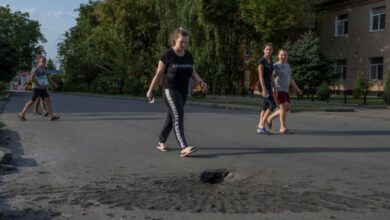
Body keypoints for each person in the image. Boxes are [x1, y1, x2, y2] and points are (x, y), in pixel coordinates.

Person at [146, 28, 207, 157]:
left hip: (183, 91)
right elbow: (158, 74)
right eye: (181, 42)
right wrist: (150, 90)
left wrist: (200, 82)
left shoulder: (188, 55)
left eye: (186, 42)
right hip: (170, 89)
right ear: (174, 40)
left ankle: (161, 141)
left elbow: (192, 72)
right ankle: (184, 146)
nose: (184, 45)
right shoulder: (168, 55)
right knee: (178, 114)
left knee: (171, 117)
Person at [267, 49, 302, 133]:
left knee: (288, 108)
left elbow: (290, 79)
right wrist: (272, 88)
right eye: (282, 55)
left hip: (285, 90)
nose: (283, 56)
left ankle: (269, 118)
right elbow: (271, 77)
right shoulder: (276, 66)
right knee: (283, 107)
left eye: (285, 55)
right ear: (278, 56)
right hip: (278, 89)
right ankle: (282, 128)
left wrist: (297, 89)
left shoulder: (288, 66)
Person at [18, 56, 60, 121]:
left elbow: (48, 77)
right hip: (36, 88)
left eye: (45, 61)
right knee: (32, 101)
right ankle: (22, 114)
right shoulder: (35, 68)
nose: (44, 62)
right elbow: (31, 79)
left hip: (43, 88)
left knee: (48, 101)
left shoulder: (45, 68)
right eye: (43, 61)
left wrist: (54, 83)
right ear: (38, 61)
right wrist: (39, 84)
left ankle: (51, 116)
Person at [257, 43, 277, 134]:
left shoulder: (270, 61)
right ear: (264, 50)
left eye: (270, 49)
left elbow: (271, 76)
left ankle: (260, 126)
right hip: (263, 85)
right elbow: (260, 76)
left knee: (265, 107)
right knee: (272, 105)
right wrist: (264, 89)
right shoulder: (262, 61)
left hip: (269, 85)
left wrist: (275, 87)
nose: (269, 51)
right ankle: (261, 125)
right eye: (267, 49)